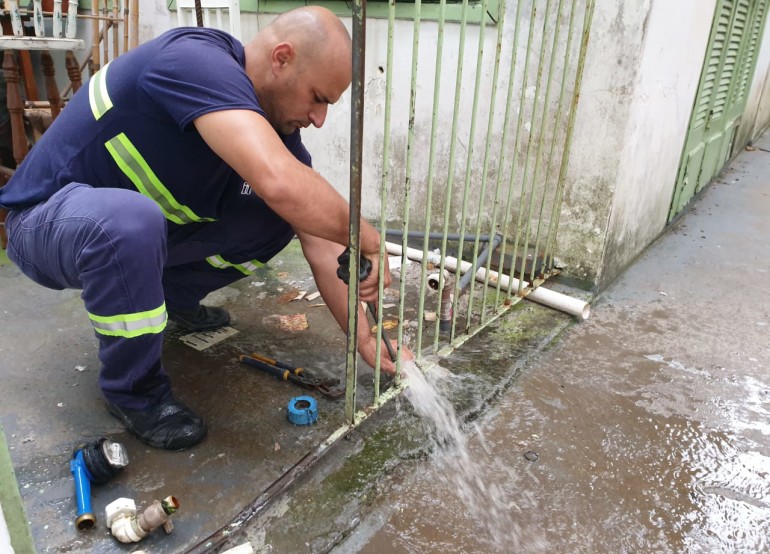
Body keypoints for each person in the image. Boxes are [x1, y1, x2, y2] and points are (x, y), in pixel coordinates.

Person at [0, 6, 409, 451]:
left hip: (128, 234)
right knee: (136, 221)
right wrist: (367, 238)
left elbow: (322, 241)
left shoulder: (269, 131)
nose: (318, 118)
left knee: (282, 217)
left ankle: (172, 299)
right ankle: (134, 392)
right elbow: (280, 181)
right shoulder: (195, 60)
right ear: (282, 57)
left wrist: (366, 339)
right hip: (46, 221)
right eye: (319, 97)